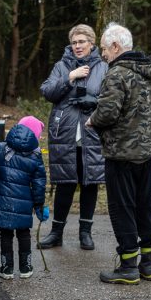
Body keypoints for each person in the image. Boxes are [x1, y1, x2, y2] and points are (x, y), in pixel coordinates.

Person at [86, 23, 151, 285]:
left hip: (121, 153)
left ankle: (128, 266)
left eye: (104, 49)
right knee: (145, 206)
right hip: (148, 152)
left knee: (122, 208)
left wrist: (92, 121)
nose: (103, 55)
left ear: (116, 47)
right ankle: (149, 264)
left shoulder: (117, 73)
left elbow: (108, 112)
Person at [38, 24, 108, 251]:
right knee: (64, 184)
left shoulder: (103, 67)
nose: (77, 46)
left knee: (90, 183)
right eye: (74, 42)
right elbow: (47, 91)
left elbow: (111, 99)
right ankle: (56, 232)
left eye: (82, 42)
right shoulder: (61, 66)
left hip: (91, 134)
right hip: (65, 134)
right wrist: (70, 77)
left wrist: (94, 102)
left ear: (91, 44)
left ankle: (85, 233)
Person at [0, 116, 49, 280]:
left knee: (5, 234)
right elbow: (39, 184)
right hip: (24, 203)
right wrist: (39, 205)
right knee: (24, 233)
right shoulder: (35, 155)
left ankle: (6, 268)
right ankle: (25, 267)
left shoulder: (0, 148)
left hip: (2, 200)